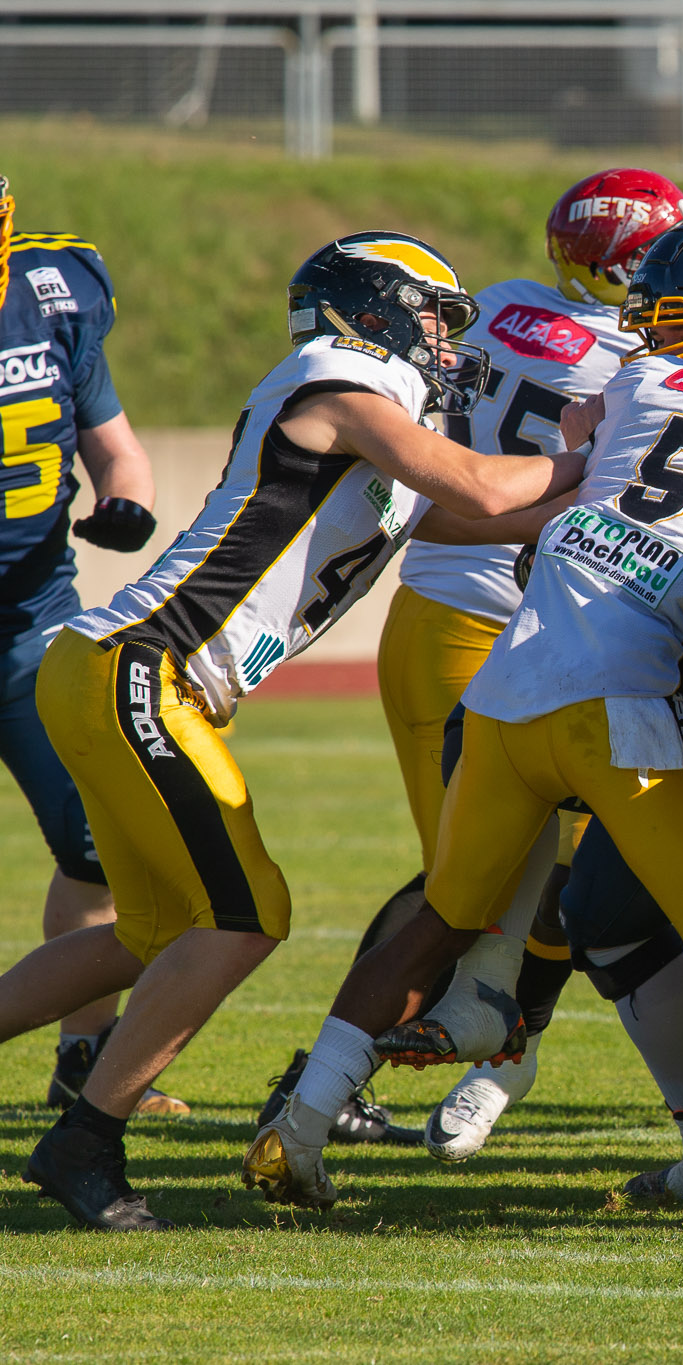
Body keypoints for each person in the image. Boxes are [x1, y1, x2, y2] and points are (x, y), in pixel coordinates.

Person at [242, 275, 683, 1243]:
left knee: (440, 920)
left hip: (502, 698)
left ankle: (297, 1130)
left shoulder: (648, 383)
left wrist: (600, 495)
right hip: (620, 711)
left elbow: (578, 420)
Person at [0, 231, 579, 1231]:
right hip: (146, 668)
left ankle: (83, 1131)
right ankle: (85, 1141)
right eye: (436, 319)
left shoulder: (363, 427)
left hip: (114, 672)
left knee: (148, 933)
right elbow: (485, 488)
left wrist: (619, 495)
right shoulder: (340, 381)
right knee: (246, 916)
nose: (446, 346)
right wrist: (594, 447)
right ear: (377, 308)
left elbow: (481, 519)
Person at [256, 170, 683, 1152]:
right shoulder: (643, 359)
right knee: (464, 879)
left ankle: (504, 1037)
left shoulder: (500, 310)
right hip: (491, 610)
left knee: (535, 868)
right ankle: (372, 1065)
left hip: (491, 611)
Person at [0, 177, 184, 1117]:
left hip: (27, 616)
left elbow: (112, 442)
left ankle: (85, 1053)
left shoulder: (48, 292)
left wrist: (127, 499)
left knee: (96, 847)